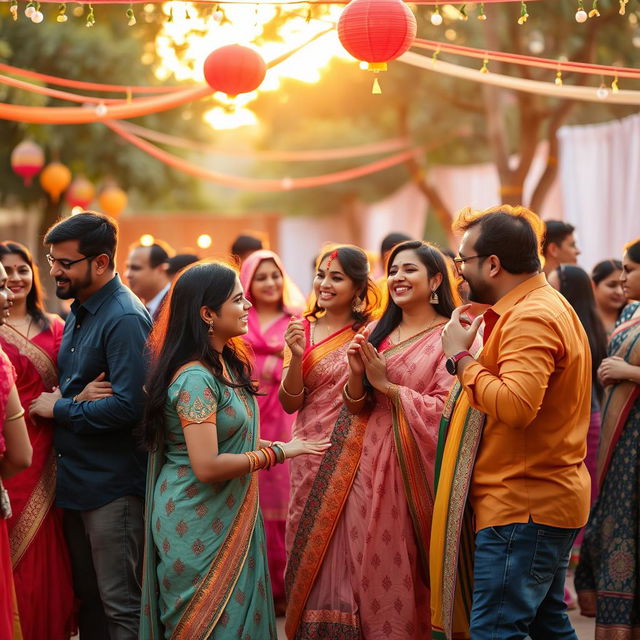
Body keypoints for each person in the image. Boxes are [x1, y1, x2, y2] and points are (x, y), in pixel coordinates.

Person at [138, 260, 329, 639]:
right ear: (208, 314)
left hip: (225, 512)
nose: (248, 308)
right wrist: (281, 453)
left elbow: (231, 439)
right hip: (194, 516)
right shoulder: (195, 378)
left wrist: (288, 445)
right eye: (238, 300)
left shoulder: (225, 364)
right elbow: (207, 464)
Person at [431, 205, 591, 640]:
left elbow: (518, 405)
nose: (459, 272)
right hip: (538, 498)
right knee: (547, 626)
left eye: (463, 261)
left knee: (496, 631)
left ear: (493, 264)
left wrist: (461, 358)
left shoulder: (531, 316)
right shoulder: (540, 304)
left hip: (524, 504)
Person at [289, 240, 457, 639]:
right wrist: (356, 378)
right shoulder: (376, 332)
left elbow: (449, 413)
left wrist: (388, 386)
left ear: (436, 279)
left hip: (410, 464)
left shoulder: (453, 334)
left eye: (409, 269)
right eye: (393, 269)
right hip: (359, 464)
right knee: (361, 564)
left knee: (398, 564)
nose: (398, 277)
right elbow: (355, 404)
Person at [29, 212, 151, 640]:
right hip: (78, 481)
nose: (54, 271)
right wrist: (70, 399)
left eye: (65, 263)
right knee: (90, 601)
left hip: (112, 488)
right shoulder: (82, 310)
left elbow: (129, 408)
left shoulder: (123, 318)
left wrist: (59, 409)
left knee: (120, 605)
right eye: (51, 260)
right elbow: (76, 388)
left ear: (100, 263)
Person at [281, 245, 380, 638]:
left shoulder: (372, 332)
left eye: (336, 277)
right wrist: (295, 354)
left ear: (358, 287)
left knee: (352, 547)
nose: (324, 283)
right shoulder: (301, 328)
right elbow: (291, 402)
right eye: (321, 274)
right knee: (306, 546)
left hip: (355, 454)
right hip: (307, 454)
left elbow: (364, 401)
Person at [0, 241, 76, 640]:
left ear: (33, 274)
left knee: (48, 546)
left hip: (50, 449)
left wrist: (63, 399)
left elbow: (73, 380)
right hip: (10, 450)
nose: (14, 278)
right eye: (6, 271)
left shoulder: (57, 326)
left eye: (22, 269)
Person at [575, 238, 640, 639]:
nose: (621, 278)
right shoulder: (630, 312)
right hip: (623, 447)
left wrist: (629, 373)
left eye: (629, 270)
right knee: (620, 528)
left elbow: (620, 369)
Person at [239, 250, 305, 615]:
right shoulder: (239, 319)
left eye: (275, 275)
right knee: (252, 491)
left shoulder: (296, 320)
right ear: (248, 283)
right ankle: (255, 584)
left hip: (285, 417)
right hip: (247, 418)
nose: (270, 283)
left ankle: (285, 588)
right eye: (261, 277)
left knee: (284, 493)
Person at [125, 240, 173, 321]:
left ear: (160, 269)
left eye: (136, 268)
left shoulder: (174, 304)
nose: (127, 274)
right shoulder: (138, 306)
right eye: (127, 267)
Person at [591, 259, 627, 335]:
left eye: (624, 286)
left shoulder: (633, 317)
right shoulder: (582, 319)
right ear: (593, 286)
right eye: (611, 285)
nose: (619, 292)